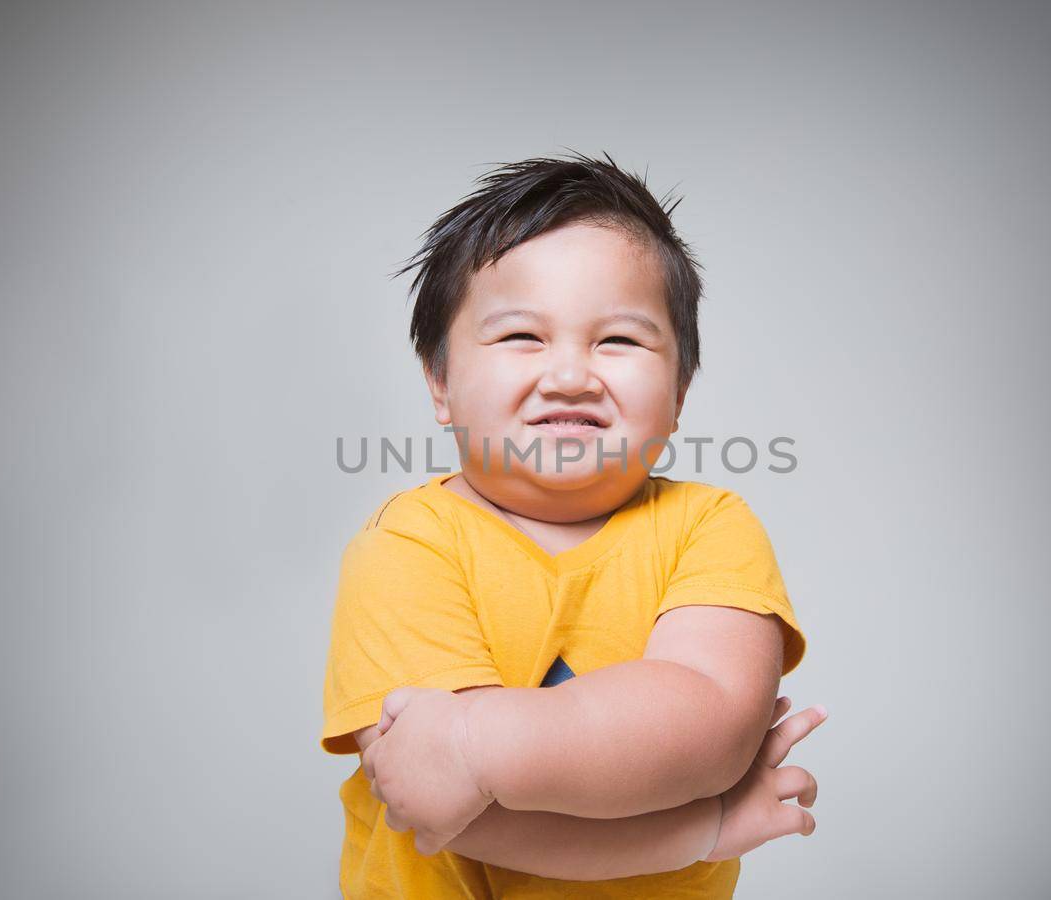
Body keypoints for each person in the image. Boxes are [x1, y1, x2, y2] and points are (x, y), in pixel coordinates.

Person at [320, 150, 825, 898]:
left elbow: (710, 722)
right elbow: (441, 808)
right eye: (521, 337)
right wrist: (701, 827)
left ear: (680, 389)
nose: (569, 375)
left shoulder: (709, 526)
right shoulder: (406, 545)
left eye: (618, 340)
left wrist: (477, 742)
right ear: (441, 383)